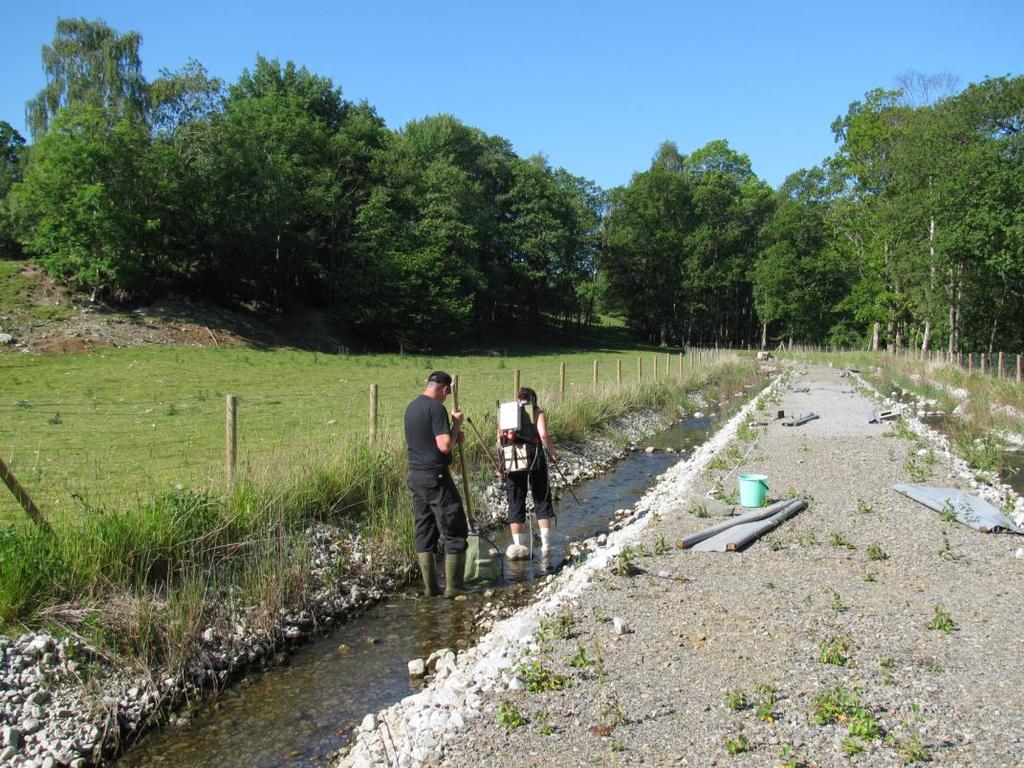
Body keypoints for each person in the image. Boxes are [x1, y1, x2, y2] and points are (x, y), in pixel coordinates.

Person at [404, 371, 468, 598]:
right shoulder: (435, 408)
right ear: (444, 389)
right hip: (435, 476)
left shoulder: (411, 408)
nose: (447, 397)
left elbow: (428, 440)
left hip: (415, 475)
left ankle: (431, 589)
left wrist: (453, 434)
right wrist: (456, 424)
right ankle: (454, 589)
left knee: (425, 527)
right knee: (454, 525)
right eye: (447, 393)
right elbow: (444, 446)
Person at [500, 387, 559, 554]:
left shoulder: (506, 412)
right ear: (533, 399)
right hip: (535, 455)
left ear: (518, 398)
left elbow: (500, 439)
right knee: (541, 497)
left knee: (515, 498)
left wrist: (501, 465)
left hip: (513, 457)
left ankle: (518, 546)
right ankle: (546, 545)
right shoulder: (537, 412)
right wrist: (553, 455)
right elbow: (544, 436)